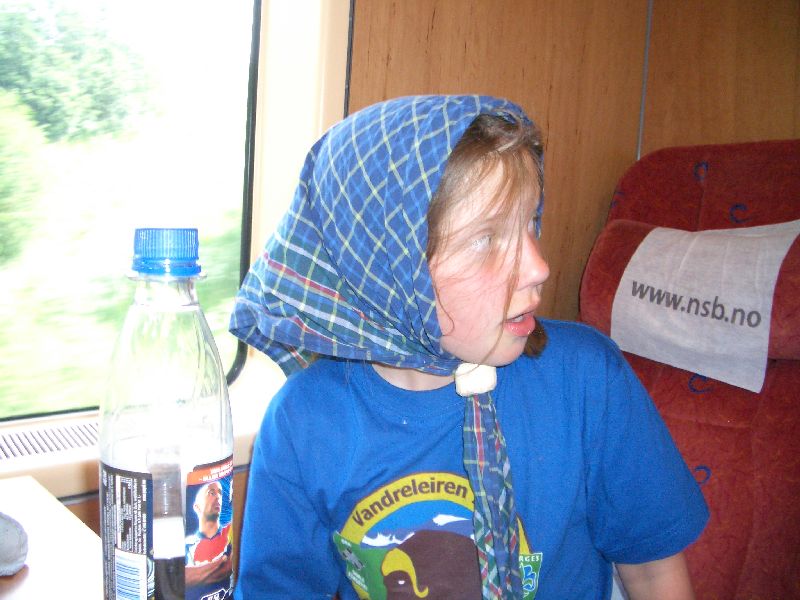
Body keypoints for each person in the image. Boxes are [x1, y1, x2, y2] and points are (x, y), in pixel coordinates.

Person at [229, 95, 708, 599]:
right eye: (486, 239)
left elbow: (652, 573)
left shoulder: (585, 380)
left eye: (530, 222)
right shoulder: (306, 421)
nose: (539, 266)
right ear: (389, 268)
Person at [185, 481, 234, 598]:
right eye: (211, 493)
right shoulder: (187, 545)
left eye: (220, 493)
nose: (218, 497)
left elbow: (227, 568)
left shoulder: (229, 533)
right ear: (197, 507)